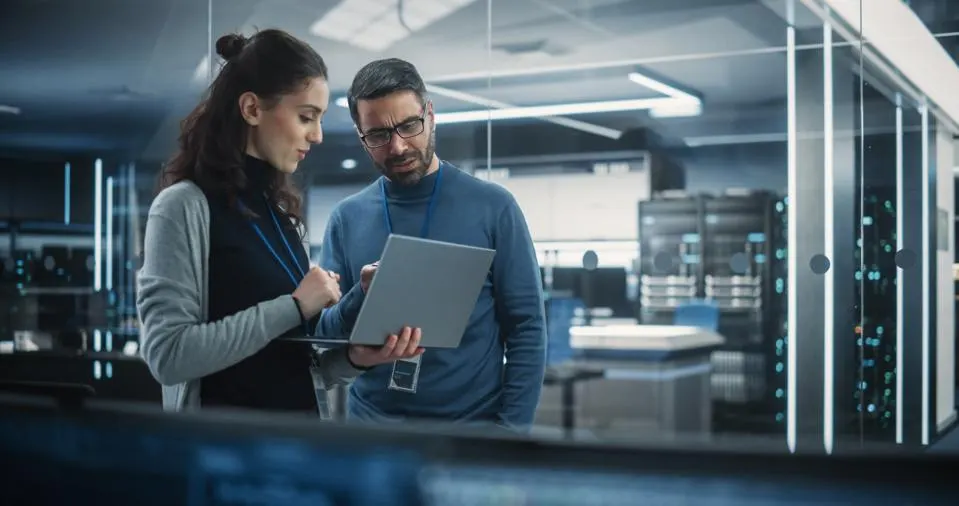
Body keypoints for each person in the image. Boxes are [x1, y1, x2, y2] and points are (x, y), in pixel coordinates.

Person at [136, 30, 422, 415]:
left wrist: (355, 357)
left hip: (294, 451)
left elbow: (295, 364)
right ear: (252, 109)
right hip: (220, 459)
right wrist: (293, 306)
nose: (317, 135)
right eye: (306, 117)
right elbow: (167, 356)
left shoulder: (281, 216)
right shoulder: (182, 208)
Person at [315, 58, 547, 432]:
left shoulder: (493, 207)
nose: (398, 146)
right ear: (361, 135)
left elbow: (527, 327)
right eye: (378, 135)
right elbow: (325, 334)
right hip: (373, 433)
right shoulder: (347, 218)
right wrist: (361, 294)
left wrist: (511, 432)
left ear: (431, 115)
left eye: (409, 125)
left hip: (472, 432)